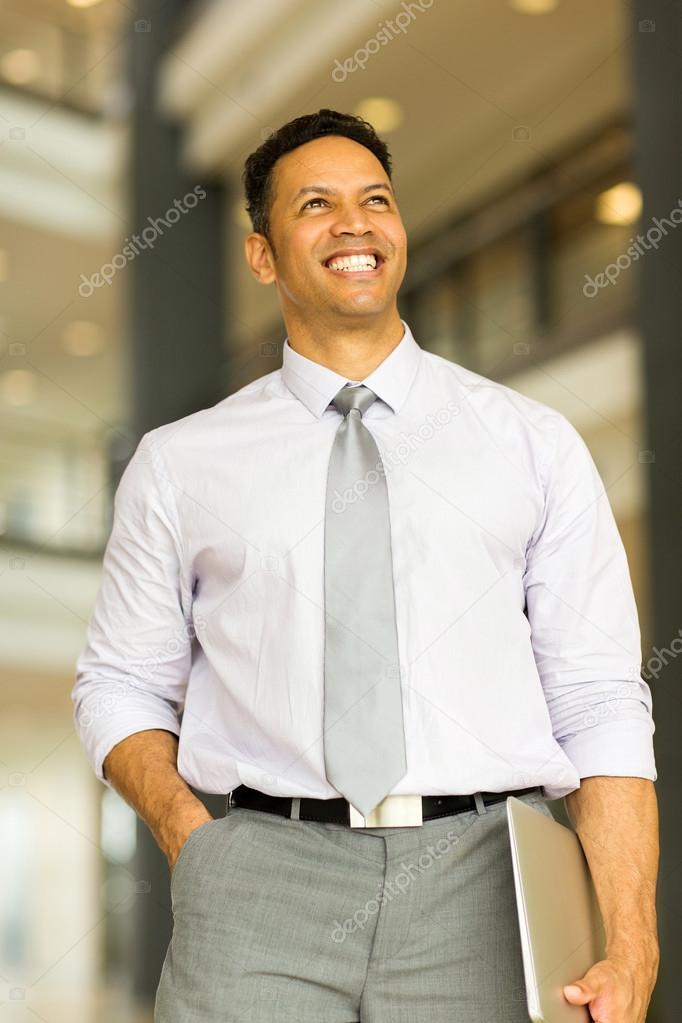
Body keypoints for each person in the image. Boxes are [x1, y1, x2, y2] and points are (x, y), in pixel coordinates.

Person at [71, 108, 660, 1023]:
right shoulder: (181, 462)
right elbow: (117, 683)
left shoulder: (531, 444)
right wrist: (196, 841)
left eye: (375, 199)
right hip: (261, 881)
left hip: (487, 881)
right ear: (262, 254)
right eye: (316, 204)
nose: (355, 223)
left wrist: (632, 934)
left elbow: (598, 699)